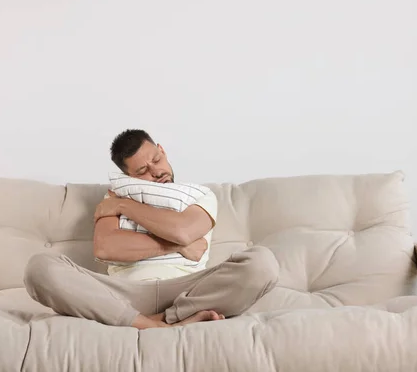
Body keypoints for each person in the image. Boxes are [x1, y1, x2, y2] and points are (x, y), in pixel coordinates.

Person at [24, 129, 279, 329]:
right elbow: (106, 247)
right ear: (129, 177)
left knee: (262, 263)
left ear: (162, 150)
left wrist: (124, 207)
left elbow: (183, 231)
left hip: (189, 291)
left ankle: (153, 319)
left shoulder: (199, 195)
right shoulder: (111, 199)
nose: (157, 172)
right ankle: (152, 324)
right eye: (143, 171)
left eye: (157, 159)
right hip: (123, 294)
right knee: (40, 267)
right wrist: (179, 246)